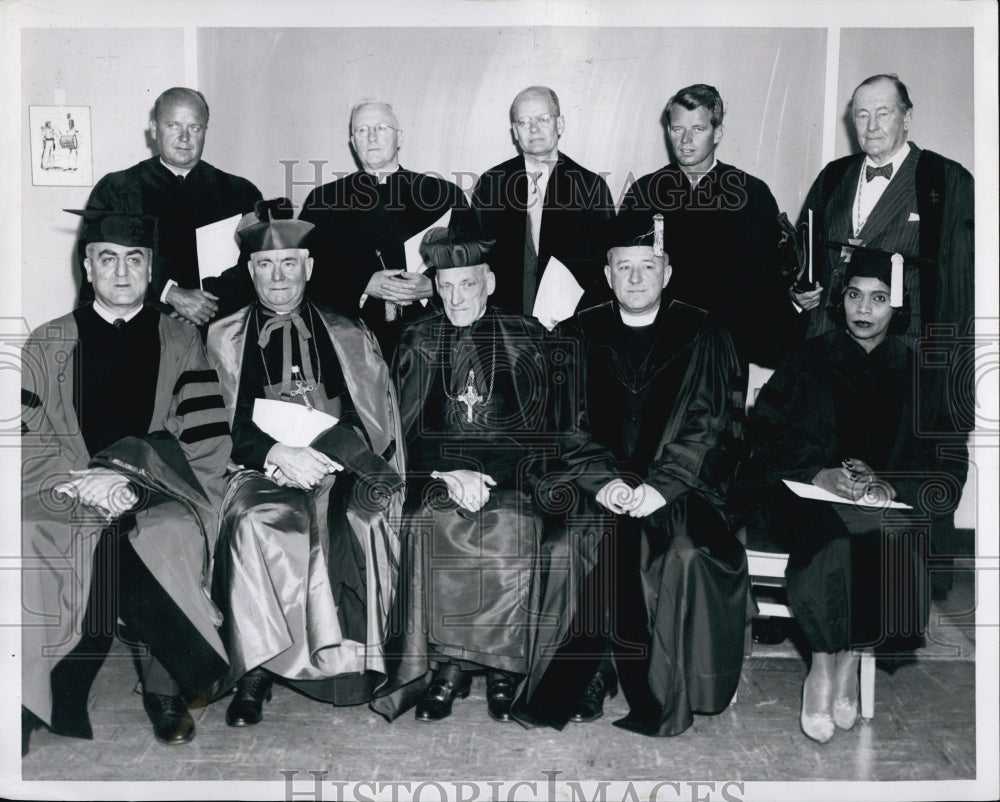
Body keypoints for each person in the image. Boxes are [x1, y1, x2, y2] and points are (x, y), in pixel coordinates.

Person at [370, 228, 620, 725]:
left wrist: (494, 479)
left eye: (467, 284)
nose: (456, 297)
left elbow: (552, 431)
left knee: (511, 524)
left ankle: (501, 671)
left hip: (516, 478)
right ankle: (449, 668)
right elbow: (402, 433)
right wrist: (447, 472)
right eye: (445, 286)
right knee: (434, 521)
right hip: (440, 476)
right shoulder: (417, 340)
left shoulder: (527, 336)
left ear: (488, 281)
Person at [515, 214, 749, 736]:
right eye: (625, 267)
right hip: (594, 485)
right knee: (568, 546)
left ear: (667, 272)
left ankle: (659, 685)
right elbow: (563, 425)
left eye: (648, 266)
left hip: (681, 488)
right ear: (607, 273)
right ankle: (590, 674)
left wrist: (660, 487)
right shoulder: (575, 336)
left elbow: (711, 427)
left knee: (681, 552)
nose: (637, 278)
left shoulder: (706, 334)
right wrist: (607, 481)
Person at [21, 210, 233, 752]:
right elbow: (22, 438)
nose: (121, 272)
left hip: (156, 490)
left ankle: (166, 690)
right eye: (108, 259)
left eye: (134, 260)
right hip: (67, 489)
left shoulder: (183, 339)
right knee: (32, 531)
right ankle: (34, 695)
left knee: (170, 533)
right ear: (87, 267)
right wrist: (77, 481)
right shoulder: (47, 342)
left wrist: (130, 482)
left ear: (150, 268)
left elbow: (205, 442)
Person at [739, 248, 969, 744]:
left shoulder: (924, 372)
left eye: (879, 298)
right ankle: (825, 666)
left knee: (882, 539)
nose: (864, 310)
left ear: (897, 306)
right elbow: (761, 436)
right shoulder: (809, 358)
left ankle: (848, 659)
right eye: (854, 296)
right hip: (803, 498)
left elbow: (947, 466)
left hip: (886, 507)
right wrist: (817, 474)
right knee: (830, 543)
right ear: (840, 301)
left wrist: (890, 483)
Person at [206, 199, 405, 727]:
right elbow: (219, 423)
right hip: (256, 468)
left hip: (337, 465)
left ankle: (354, 661)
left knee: (362, 518)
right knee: (255, 521)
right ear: (250, 271)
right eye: (266, 266)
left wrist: (323, 456)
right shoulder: (222, 337)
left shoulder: (347, 329)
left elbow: (372, 414)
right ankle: (256, 668)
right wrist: (276, 455)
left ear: (308, 268)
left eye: (288, 263)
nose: (278, 277)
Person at [792, 73, 975, 596]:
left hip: (908, 360)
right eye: (861, 115)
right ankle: (811, 589)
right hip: (832, 351)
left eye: (883, 113)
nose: (871, 126)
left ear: (907, 116)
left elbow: (963, 281)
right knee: (829, 469)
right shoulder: (833, 177)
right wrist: (799, 294)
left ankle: (895, 595)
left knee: (890, 483)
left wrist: (947, 372)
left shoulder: (946, 181)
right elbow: (803, 261)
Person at [618, 84, 796, 369]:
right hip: (661, 346)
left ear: (718, 133)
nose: (686, 140)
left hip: (730, 348)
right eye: (677, 129)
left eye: (698, 129)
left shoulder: (751, 193)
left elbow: (768, 280)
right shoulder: (644, 192)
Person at [299, 100, 469, 361]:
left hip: (432, 341)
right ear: (352, 141)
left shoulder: (443, 194)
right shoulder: (323, 201)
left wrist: (433, 286)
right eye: (362, 130)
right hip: (351, 343)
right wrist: (362, 284)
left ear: (399, 137)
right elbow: (305, 273)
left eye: (381, 128)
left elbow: (472, 265)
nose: (372, 137)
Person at [83, 87, 263, 325]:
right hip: (142, 325)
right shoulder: (118, 188)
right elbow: (98, 263)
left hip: (222, 328)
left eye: (195, 128)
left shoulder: (239, 192)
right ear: (155, 129)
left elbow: (258, 263)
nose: (185, 138)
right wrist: (169, 293)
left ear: (205, 131)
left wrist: (206, 306)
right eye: (173, 125)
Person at [471, 85, 616, 321]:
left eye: (542, 119)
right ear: (515, 132)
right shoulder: (491, 184)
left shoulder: (590, 186)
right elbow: (475, 256)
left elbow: (605, 263)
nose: (534, 129)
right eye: (524, 122)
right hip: (504, 322)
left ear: (560, 124)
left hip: (571, 323)